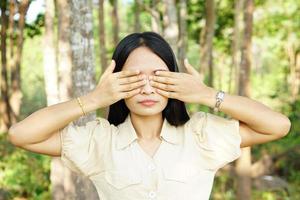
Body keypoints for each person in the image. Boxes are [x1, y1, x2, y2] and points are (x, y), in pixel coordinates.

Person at [8, 32, 291, 200]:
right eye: (133, 78)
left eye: (158, 77)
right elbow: (21, 135)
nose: (146, 88)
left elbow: (278, 125)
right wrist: (93, 100)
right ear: (117, 82)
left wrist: (206, 94)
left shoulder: (202, 134)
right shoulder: (98, 140)